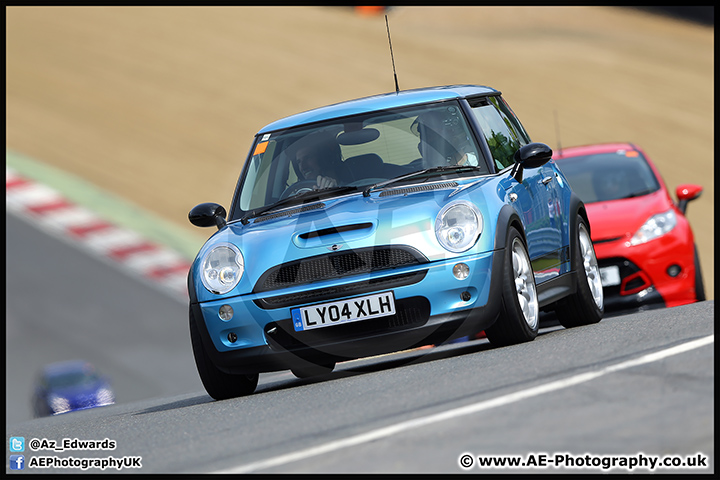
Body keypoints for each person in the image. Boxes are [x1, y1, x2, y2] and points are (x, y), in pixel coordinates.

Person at [412, 106, 479, 168]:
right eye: (425, 137)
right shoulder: (416, 169)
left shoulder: (477, 163)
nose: (426, 143)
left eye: (433, 135)